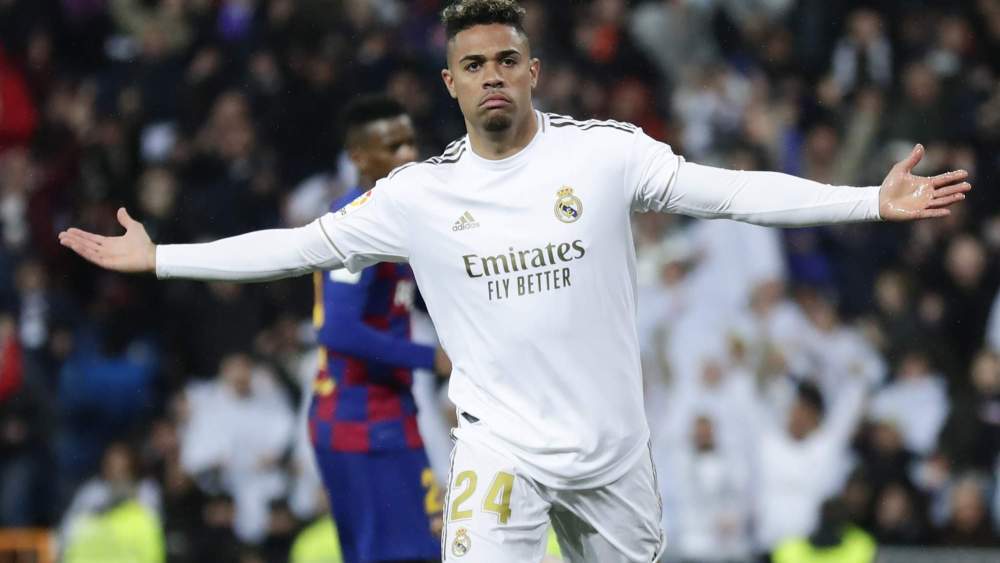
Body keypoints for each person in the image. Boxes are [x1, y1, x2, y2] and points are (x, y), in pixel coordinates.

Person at [58, 1, 972, 561]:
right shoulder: (417, 195)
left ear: (531, 71)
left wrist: (868, 202)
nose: (491, 76)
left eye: (505, 61)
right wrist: (162, 256)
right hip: (500, 451)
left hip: (614, 451)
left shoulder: (604, 157)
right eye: (472, 65)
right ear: (448, 82)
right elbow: (296, 245)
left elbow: (732, 192)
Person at [309, 95, 451, 563]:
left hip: (383, 414)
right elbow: (339, 330)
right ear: (358, 157)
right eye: (393, 146)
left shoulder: (391, 216)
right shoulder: (356, 222)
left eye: (411, 142)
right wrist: (431, 359)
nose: (409, 155)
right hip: (361, 421)